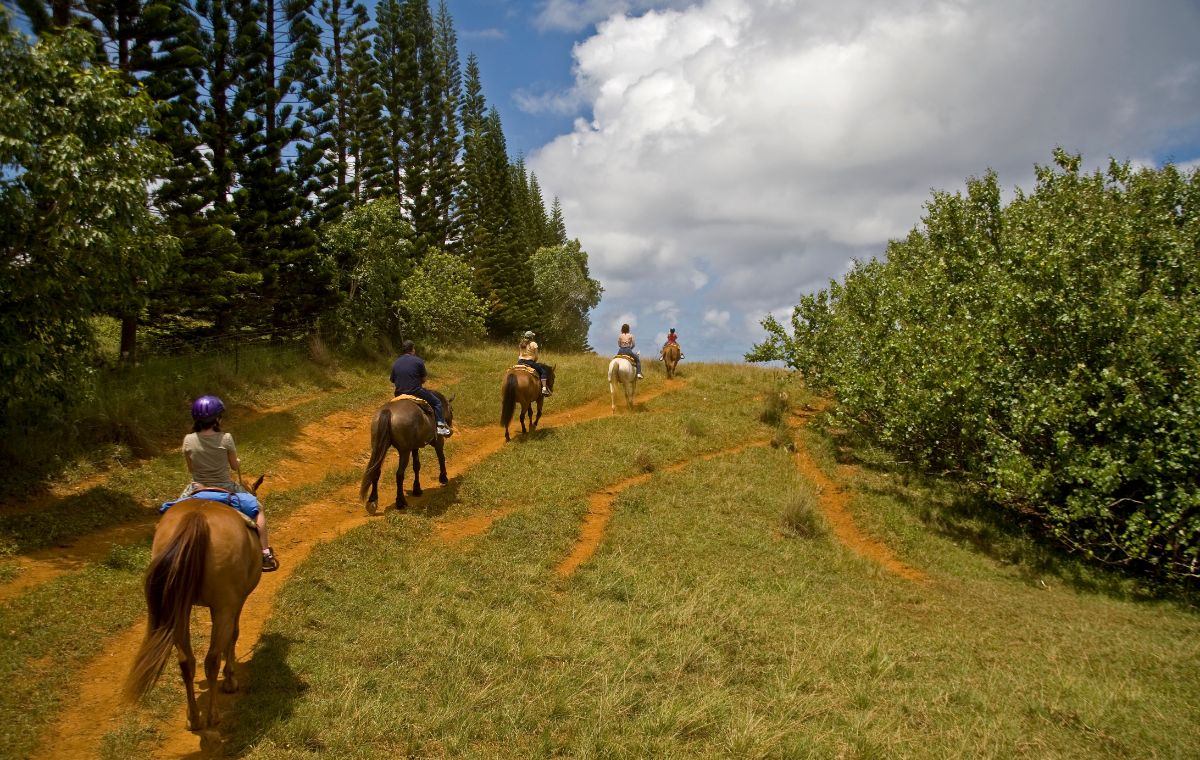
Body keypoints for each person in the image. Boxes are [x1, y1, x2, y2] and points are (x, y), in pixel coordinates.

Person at [178, 395, 279, 572]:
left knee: (173, 512)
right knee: (258, 509)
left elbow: (191, 469)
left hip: (197, 488)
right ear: (217, 418)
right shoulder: (226, 438)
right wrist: (237, 462)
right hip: (225, 487)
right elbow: (233, 465)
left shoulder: (188, 440)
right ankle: (265, 553)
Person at [390, 340, 452, 437]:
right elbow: (424, 379)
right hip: (415, 392)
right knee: (437, 403)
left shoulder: (395, 363)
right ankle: (440, 427)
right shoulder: (418, 361)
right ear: (412, 349)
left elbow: (393, 380)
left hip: (399, 393)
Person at [517, 330, 552, 396]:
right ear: (532, 337)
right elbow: (536, 356)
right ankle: (544, 389)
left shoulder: (521, 344)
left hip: (520, 362)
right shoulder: (534, 344)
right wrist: (534, 361)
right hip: (529, 362)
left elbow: (519, 355)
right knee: (543, 372)